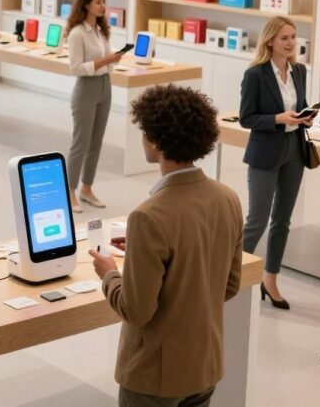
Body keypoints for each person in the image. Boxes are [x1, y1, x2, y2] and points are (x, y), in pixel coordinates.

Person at [90, 85, 243, 407]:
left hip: (155, 376)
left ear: (157, 142)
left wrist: (109, 274)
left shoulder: (149, 217)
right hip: (204, 366)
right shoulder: (227, 198)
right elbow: (228, 286)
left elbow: (136, 310)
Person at [238, 16, 314, 310]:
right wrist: (278, 119)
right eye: (285, 38)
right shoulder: (255, 74)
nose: (291, 43)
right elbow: (247, 118)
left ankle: (271, 280)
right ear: (270, 40)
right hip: (265, 151)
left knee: (282, 221)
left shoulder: (299, 71)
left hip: (294, 149)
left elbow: (298, 105)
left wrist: (305, 116)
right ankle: (237, 278)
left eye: (294, 37)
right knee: (256, 220)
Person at [65, 0, 123, 212]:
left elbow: (104, 62)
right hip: (86, 89)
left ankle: (87, 189)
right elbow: (76, 68)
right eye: (98, 2)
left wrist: (113, 59)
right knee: (81, 143)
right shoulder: (77, 33)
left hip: (104, 86)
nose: (103, 6)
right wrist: (104, 60)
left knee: (96, 142)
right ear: (87, 4)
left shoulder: (101, 31)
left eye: (104, 2)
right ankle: (70, 190)